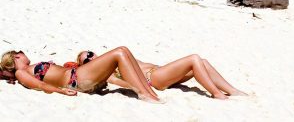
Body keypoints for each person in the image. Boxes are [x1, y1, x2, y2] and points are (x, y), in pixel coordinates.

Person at [0, 47, 160, 102]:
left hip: (78, 76)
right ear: (16, 56)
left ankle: (148, 91)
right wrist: (61, 91)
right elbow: (40, 86)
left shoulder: (27, 69)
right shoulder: (21, 72)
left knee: (123, 51)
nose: (24, 54)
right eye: (22, 52)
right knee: (119, 52)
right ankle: (146, 93)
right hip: (76, 79)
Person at [77, 50, 246, 100]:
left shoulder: (114, 57)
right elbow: (123, 84)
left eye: (90, 53)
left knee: (203, 61)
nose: (91, 57)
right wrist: (143, 86)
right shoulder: (107, 72)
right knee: (194, 59)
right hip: (154, 78)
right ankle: (217, 94)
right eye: (87, 60)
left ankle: (232, 90)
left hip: (160, 72)